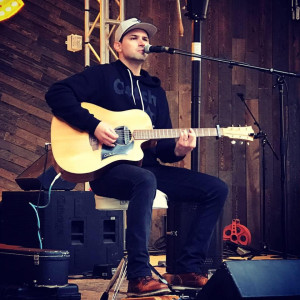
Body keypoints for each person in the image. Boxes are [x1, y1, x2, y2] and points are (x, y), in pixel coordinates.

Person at [46, 18, 228, 297]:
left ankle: (187, 268)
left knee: (215, 188)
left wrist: (178, 150)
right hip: (107, 170)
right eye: (134, 37)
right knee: (144, 179)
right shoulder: (102, 76)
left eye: (145, 38)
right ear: (117, 45)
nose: (143, 42)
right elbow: (56, 93)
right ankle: (139, 275)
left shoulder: (155, 91)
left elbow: (161, 149)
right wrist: (93, 125)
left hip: (147, 168)